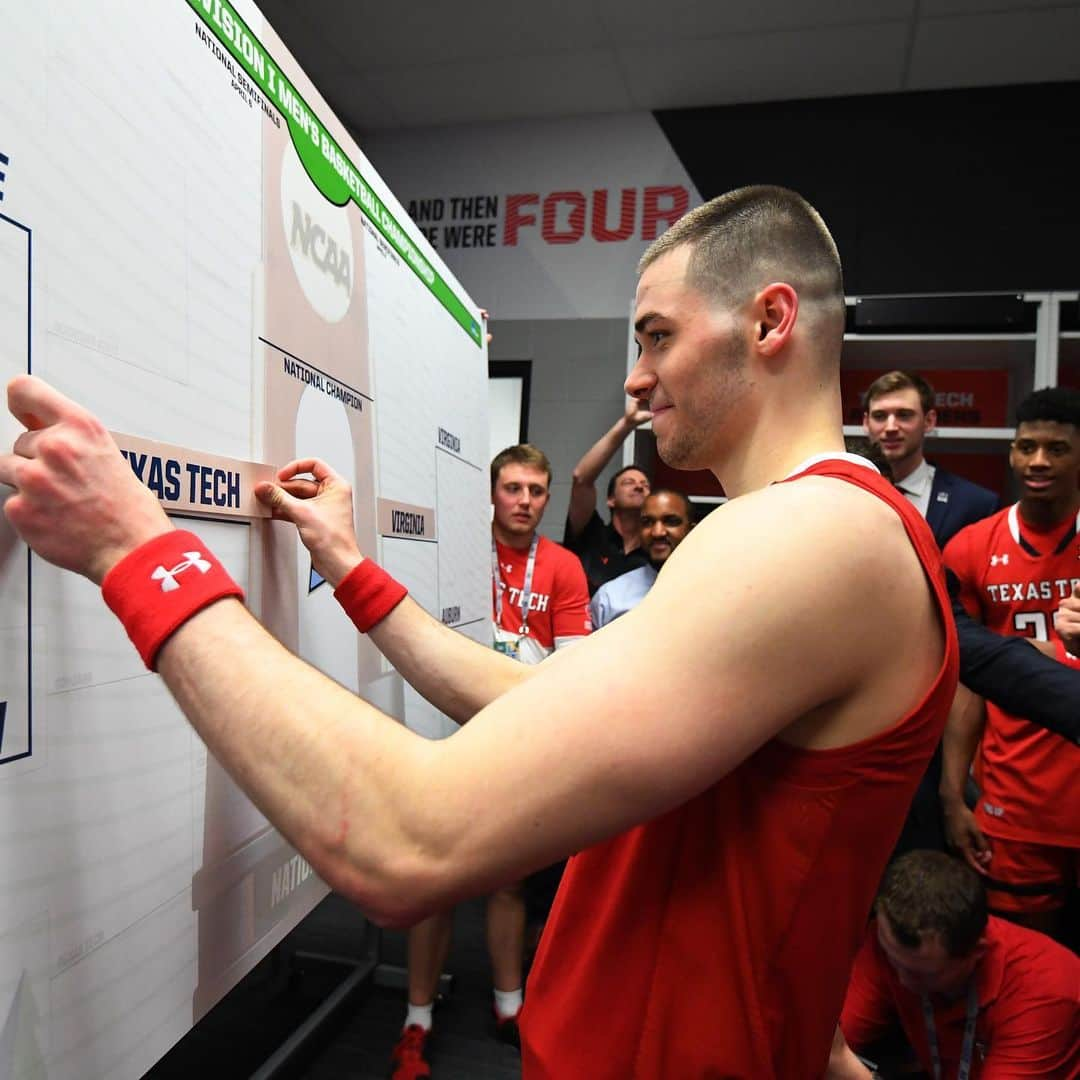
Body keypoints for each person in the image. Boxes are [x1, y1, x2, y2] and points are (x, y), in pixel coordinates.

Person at [0, 185, 959, 1076]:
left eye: (657, 336)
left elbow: (406, 841)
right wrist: (349, 566)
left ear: (770, 320)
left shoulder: (813, 534)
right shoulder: (820, 531)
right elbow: (537, 704)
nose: (635, 379)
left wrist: (136, 551)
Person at [393, 444, 590, 1078]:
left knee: (508, 876)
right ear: (493, 492)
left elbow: (571, 662)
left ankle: (510, 1005)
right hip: (446, 727)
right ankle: (417, 1019)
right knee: (435, 881)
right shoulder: (459, 556)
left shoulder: (562, 565)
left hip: (517, 730)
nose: (525, 501)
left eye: (537, 490)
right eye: (513, 488)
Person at [942, 387, 1080, 943]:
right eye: (1026, 447)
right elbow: (965, 686)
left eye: (1057, 449)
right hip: (1016, 797)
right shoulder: (973, 547)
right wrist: (952, 794)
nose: (1039, 461)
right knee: (1021, 957)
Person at [833, 850, 1080, 1079]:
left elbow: (838, 1059)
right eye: (891, 960)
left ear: (977, 952)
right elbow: (826, 1045)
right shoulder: (889, 945)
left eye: (921, 974)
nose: (902, 981)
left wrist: (848, 1068)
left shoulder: (1045, 993)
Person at [864, 370, 999, 548]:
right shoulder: (844, 496)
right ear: (866, 423)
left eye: (904, 415)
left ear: (929, 421)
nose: (890, 427)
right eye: (880, 416)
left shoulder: (975, 504)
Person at [562, 400, 653, 596]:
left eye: (645, 486)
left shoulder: (656, 549)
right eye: (628, 482)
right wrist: (627, 423)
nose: (639, 486)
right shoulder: (591, 535)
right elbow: (581, 478)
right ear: (610, 499)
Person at [589, 488, 693, 628]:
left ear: (691, 530)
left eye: (670, 521)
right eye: (647, 522)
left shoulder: (718, 593)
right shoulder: (609, 598)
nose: (657, 532)